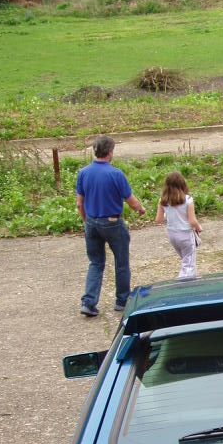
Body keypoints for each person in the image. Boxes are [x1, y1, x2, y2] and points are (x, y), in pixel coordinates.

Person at [75, 135, 146, 317]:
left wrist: (86, 221)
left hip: (91, 221)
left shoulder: (83, 173)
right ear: (110, 152)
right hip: (113, 222)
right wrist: (140, 209)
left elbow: (79, 203)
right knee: (121, 261)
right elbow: (131, 201)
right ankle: (122, 301)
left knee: (96, 262)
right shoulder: (116, 174)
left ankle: (89, 302)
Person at [155, 172, 202, 281]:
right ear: (183, 184)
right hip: (185, 235)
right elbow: (192, 221)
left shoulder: (163, 201)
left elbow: (158, 220)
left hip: (172, 235)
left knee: (186, 260)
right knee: (189, 263)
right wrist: (199, 227)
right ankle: (182, 285)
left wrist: (168, 215)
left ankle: (192, 281)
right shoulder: (188, 200)